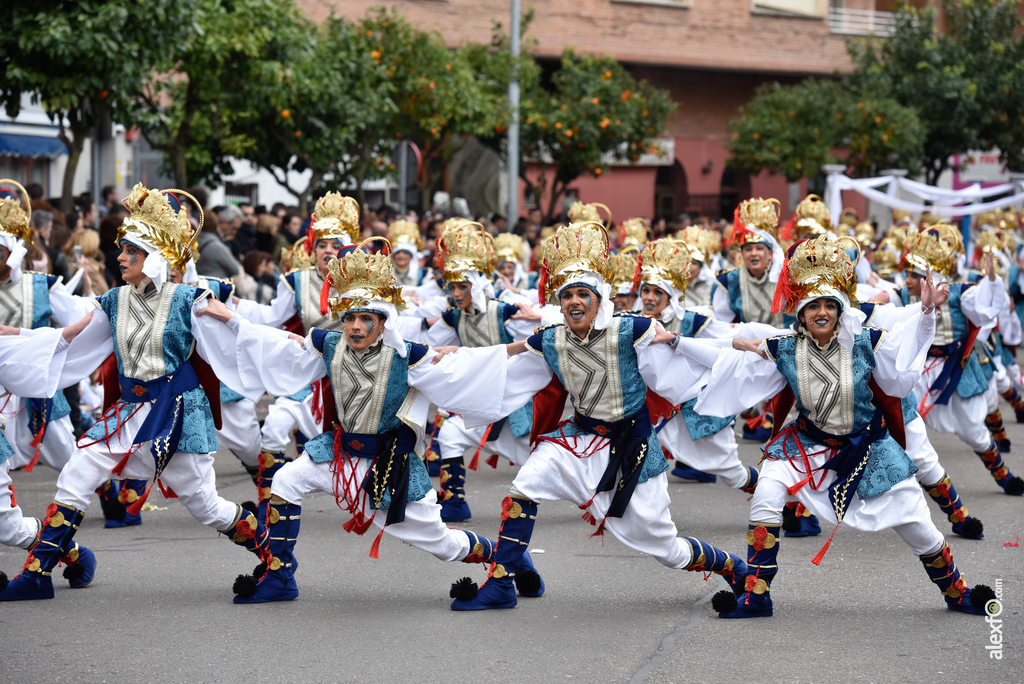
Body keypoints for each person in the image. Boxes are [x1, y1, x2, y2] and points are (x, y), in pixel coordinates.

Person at [680, 235, 994, 618]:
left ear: (842, 309)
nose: (823, 312)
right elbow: (728, 353)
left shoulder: (866, 343)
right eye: (814, 305)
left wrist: (927, 315)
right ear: (802, 312)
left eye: (831, 304)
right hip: (807, 445)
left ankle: (956, 592)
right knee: (767, 491)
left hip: (868, 448)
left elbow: (904, 362)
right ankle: (756, 593)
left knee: (918, 524)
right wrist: (675, 342)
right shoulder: (785, 347)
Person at [446, 220, 748, 611]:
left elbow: (688, 361)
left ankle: (734, 567)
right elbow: (501, 357)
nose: (573, 301)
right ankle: (504, 582)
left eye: (582, 294)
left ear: (599, 298)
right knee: (525, 488)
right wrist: (437, 360)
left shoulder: (631, 331)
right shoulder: (551, 337)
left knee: (665, 547)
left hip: (631, 448)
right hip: (579, 437)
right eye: (567, 293)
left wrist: (679, 339)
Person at [0, 184, 276, 601]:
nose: (121, 257)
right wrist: (34, 337)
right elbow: (72, 341)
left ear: (156, 257)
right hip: (130, 411)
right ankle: (38, 573)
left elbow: (239, 345)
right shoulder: (113, 301)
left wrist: (256, 331)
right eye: (122, 249)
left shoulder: (188, 299)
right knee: (79, 469)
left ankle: (275, 560)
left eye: (131, 250)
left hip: (179, 411)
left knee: (204, 504)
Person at [205, 239, 516, 603]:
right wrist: (233, 319)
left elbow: (463, 369)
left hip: (386, 468)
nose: (354, 327)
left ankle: (508, 560)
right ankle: (279, 577)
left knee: (443, 543)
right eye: (349, 317)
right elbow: (281, 346)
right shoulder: (331, 344)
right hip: (337, 455)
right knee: (287, 480)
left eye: (364, 318)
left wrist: (523, 348)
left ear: (382, 322)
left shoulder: (406, 355)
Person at [232, 193, 361, 509]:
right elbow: (272, 317)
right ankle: (271, 502)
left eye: (334, 245)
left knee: (362, 440)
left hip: (352, 373)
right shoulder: (296, 281)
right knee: (275, 426)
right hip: (307, 369)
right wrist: (234, 306)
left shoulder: (360, 280)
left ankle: (373, 491)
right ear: (312, 249)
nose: (327, 251)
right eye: (321, 245)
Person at [420, 220, 537, 522]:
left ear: (477, 284)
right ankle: (454, 503)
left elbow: (541, 338)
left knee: (538, 461)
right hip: (480, 402)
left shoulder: (506, 311)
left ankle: (593, 489)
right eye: (453, 286)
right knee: (450, 435)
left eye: (463, 286)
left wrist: (539, 315)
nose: (456, 293)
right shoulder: (454, 317)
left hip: (511, 403)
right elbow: (430, 348)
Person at [897, 225, 1021, 495]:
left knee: (972, 430)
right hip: (919, 371)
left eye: (912, 274)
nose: (906, 280)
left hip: (957, 371)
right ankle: (900, 483)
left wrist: (990, 280)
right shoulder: (903, 296)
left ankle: (1003, 475)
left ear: (927, 276)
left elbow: (986, 303)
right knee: (902, 422)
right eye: (906, 274)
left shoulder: (959, 293)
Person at [0, 180, 94, 474]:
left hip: (36, 385)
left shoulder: (41, 285)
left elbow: (81, 315)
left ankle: (114, 501)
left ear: (13, 251)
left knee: (68, 455)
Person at [0, 317, 99, 598]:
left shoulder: (45, 285)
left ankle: (72, 552)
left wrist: (96, 314)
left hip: (37, 399)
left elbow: (49, 344)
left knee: (9, 529)